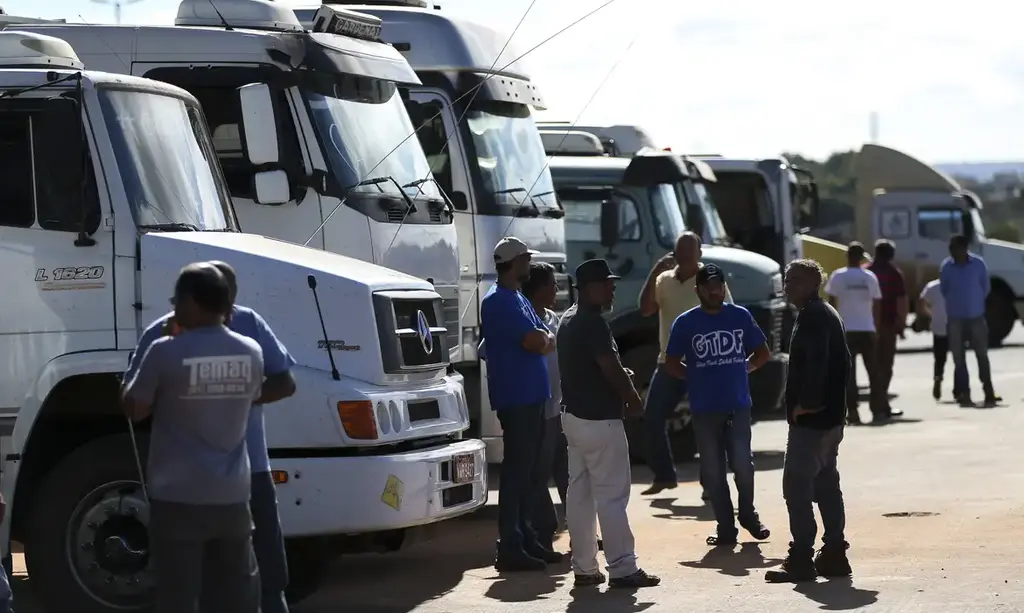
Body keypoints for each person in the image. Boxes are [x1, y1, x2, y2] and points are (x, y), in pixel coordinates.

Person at [126, 261, 298, 613]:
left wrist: (224, 394)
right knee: (231, 589)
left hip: (229, 480)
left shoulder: (173, 342)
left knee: (260, 577)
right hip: (226, 487)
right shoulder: (243, 347)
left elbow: (133, 404)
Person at [558, 259, 660, 589]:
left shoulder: (568, 319)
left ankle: (585, 568)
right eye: (606, 283)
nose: (612, 287)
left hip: (574, 418)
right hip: (600, 421)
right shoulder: (592, 323)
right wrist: (632, 397)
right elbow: (611, 367)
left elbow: (593, 368)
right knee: (612, 496)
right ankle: (622, 568)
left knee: (580, 496)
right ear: (590, 288)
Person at [664, 264, 772, 546]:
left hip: (737, 405)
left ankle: (748, 514)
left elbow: (763, 353)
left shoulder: (740, 316)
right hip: (704, 408)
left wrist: (743, 369)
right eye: (708, 286)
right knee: (712, 470)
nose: (714, 291)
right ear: (697, 290)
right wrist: (695, 376)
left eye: (719, 285)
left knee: (743, 464)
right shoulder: (685, 323)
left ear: (724, 287)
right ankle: (726, 527)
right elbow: (672, 363)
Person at [480, 237, 563, 572]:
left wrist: (544, 340)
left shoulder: (515, 297)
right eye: (526, 259)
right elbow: (536, 340)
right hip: (517, 397)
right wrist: (544, 341)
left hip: (531, 396)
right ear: (514, 263)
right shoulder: (500, 300)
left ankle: (526, 537)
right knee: (517, 473)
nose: (530, 264)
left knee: (527, 472)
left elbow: (544, 337)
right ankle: (511, 544)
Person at [765, 259, 851, 584]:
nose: (789, 286)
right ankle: (834, 553)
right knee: (827, 483)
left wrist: (808, 406)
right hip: (831, 419)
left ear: (815, 283)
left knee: (797, 487)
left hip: (814, 422)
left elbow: (817, 363)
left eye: (796, 280)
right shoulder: (825, 312)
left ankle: (801, 557)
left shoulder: (814, 316)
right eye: (787, 279)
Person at [637, 232, 732, 497]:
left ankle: (710, 483)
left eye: (690, 255)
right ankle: (664, 475)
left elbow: (728, 316)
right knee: (653, 417)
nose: (685, 259)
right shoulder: (664, 280)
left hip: (704, 365)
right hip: (669, 361)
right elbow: (645, 309)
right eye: (680, 254)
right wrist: (655, 271)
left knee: (708, 424)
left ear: (699, 255)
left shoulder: (711, 280)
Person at [518, 261, 568, 549]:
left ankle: (582, 528)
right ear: (536, 289)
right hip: (538, 411)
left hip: (561, 409)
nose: (557, 290)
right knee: (539, 473)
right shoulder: (522, 320)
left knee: (569, 472)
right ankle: (544, 532)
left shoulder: (554, 320)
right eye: (551, 284)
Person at [824, 242, 883, 424]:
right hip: (867, 328)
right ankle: (877, 411)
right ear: (861, 257)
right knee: (874, 372)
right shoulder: (869, 277)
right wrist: (876, 327)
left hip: (846, 330)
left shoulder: (838, 276)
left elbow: (831, 303)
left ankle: (854, 412)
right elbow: (878, 304)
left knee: (849, 375)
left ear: (847, 256)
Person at [940, 234, 1001, 407]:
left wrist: (974, 303)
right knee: (959, 359)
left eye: (955, 248)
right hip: (955, 319)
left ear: (964, 248)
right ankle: (964, 394)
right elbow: (944, 289)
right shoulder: (947, 267)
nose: (952, 251)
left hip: (976, 317)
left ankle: (989, 391)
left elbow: (985, 288)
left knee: (982, 355)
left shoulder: (978, 264)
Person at [866, 239, 906, 419]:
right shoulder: (894, 273)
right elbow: (901, 300)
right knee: (886, 366)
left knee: (873, 367)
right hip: (887, 324)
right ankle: (880, 404)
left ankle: (879, 404)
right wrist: (902, 323)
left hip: (867, 325)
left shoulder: (865, 271)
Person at [918, 277, 961, 401]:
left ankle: (938, 378)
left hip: (938, 326)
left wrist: (930, 314)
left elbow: (921, 302)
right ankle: (958, 389)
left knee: (939, 358)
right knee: (958, 359)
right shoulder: (958, 285)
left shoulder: (932, 286)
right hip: (956, 326)